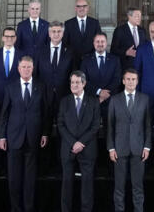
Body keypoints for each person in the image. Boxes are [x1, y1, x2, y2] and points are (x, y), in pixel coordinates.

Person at [0, 56, 50, 212]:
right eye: (23, 67)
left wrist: (45, 133)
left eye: (29, 67)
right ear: (18, 68)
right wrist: (2, 136)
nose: (26, 70)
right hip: (14, 138)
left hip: (33, 138)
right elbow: (4, 114)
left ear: (33, 68)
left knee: (30, 179)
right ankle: (16, 208)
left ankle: (28, 208)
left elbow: (45, 112)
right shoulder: (10, 87)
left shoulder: (41, 87)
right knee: (14, 178)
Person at [108, 69, 151, 212]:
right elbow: (110, 126)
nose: (131, 82)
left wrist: (147, 147)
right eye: (128, 79)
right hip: (119, 149)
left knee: (138, 188)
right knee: (119, 188)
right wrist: (111, 148)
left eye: (133, 79)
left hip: (139, 149)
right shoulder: (114, 99)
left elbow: (147, 126)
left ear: (137, 81)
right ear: (123, 81)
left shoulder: (144, 99)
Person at [57, 71, 100, 212]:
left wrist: (81, 143)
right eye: (72, 82)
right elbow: (61, 125)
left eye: (77, 82)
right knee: (66, 184)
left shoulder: (93, 101)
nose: (74, 85)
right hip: (68, 148)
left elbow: (95, 126)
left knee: (87, 185)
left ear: (84, 83)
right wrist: (73, 143)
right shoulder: (64, 101)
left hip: (87, 148)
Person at [0, 26, 20, 176]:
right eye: (6, 36)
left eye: (12, 36)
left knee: (12, 135)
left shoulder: (22, 55)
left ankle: (10, 169)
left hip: (15, 104)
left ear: (15, 38)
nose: (9, 39)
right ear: (2, 38)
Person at [34, 21, 73, 118]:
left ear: (63, 33)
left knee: (63, 126)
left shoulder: (70, 51)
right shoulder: (40, 51)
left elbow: (73, 72)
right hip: (44, 95)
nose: (56, 34)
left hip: (64, 95)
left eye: (59, 31)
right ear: (49, 33)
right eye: (53, 31)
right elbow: (35, 74)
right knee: (45, 128)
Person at [80, 32, 120, 122]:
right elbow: (83, 80)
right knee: (92, 129)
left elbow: (117, 79)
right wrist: (99, 92)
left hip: (110, 100)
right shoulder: (86, 60)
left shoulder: (115, 60)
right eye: (97, 41)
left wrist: (105, 94)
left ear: (106, 43)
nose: (100, 44)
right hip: (92, 100)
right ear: (93, 43)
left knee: (109, 130)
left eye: (102, 41)